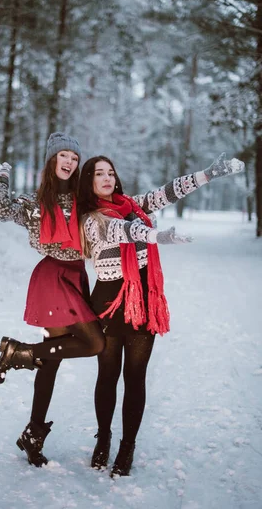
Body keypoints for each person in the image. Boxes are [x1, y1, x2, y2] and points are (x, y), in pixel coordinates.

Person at [0, 132, 181, 468]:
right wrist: (1, 177)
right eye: (63, 156)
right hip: (51, 278)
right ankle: (21, 354)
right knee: (93, 343)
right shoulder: (36, 201)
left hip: (76, 276)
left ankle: (32, 430)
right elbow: (1, 211)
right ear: (51, 160)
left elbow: (121, 205)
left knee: (54, 358)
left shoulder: (82, 197)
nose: (69, 162)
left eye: (74, 158)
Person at [77, 153, 244, 478]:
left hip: (141, 303)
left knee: (135, 378)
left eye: (110, 172)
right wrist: (157, 236)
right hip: (109, 305)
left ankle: (127, 447)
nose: (107, 178)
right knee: (108, 375)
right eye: (99, 174)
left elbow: (166, 193)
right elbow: (120, 232)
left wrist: (207, 175)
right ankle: (104, 438)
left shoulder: (131, 205)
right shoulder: (92, 218)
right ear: (89, 181)